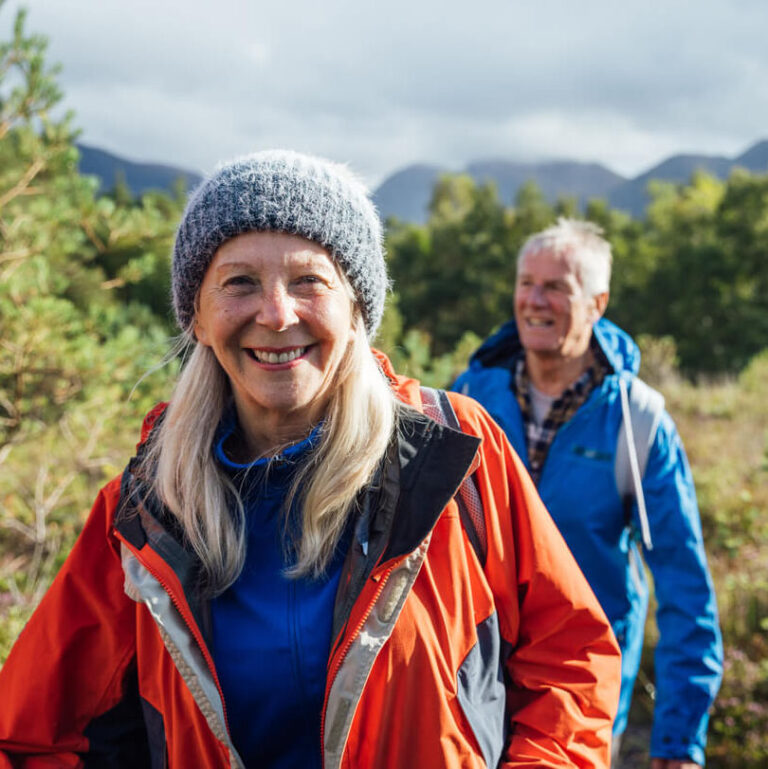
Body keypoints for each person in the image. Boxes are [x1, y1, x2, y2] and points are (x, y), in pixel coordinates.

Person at [0, 153, 620, 768]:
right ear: (198, 317)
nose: (277, 314)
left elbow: (570, 657)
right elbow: (33, 735)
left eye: (309, 281)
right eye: (239, 282)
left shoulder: (455, 453)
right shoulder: (143, 509)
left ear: (357, 310)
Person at [453, 219, 723, 768]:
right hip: (470, 689)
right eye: (527, 283)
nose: (535, 300)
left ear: (598, 303)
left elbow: (684, 586)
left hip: (581, 695)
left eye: (556, 287)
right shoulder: (466, 399)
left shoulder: (638, 422)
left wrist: (679, 741)